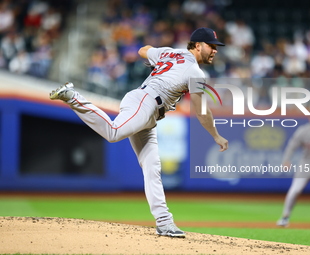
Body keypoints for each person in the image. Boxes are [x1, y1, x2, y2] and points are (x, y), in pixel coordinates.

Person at [49, 27, 229, 237]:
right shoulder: (196, 72)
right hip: (145, 103)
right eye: (211, 46)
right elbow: (201, 110)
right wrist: (216, 135)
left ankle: (164, 222)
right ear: (198, 45)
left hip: (148, 110)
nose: (215, 50)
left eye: (216, 47)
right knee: (113, 132)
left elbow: (144, 50)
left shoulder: (171, 52)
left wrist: (156, 59)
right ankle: (72, 96)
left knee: (152, 168)